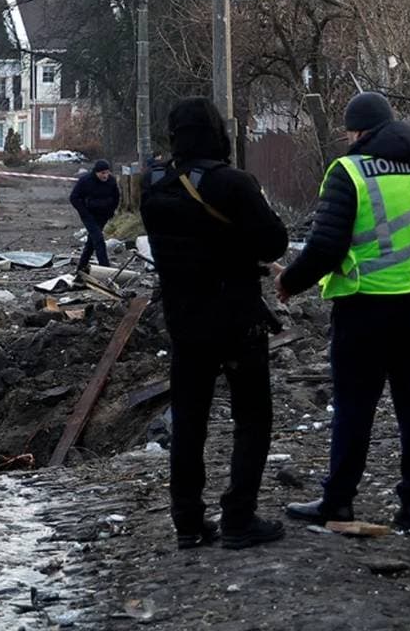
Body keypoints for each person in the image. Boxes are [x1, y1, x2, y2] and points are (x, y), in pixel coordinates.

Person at [275, 91, 410, 532]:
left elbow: (326, 246)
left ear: (358, 132)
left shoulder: (349, 171)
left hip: (364, 309)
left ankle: (339, 501)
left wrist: (291, 282)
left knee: (355, 407)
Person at [142, 97, 290, 550]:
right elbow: (274, 242)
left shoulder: (154, 186)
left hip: (184, 321)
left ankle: (187, 522)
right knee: (252, 418)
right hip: (236, 319)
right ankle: (239, 518)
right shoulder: (233, 183)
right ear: (217, 133)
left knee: (189, 422)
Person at [70, 159, 121, 274]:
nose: (105, 176)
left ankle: (80, 268)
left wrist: (111, 211)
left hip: (103, 215)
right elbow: (74, 198)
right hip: (89, 215)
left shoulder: (111, 181)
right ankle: (106, 270)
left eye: (107, 172)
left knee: (91, 243)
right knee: (99, 240)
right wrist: (83, 211)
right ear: (96, 172)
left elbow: (116, 197)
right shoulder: (85, 181)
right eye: (102, 173)